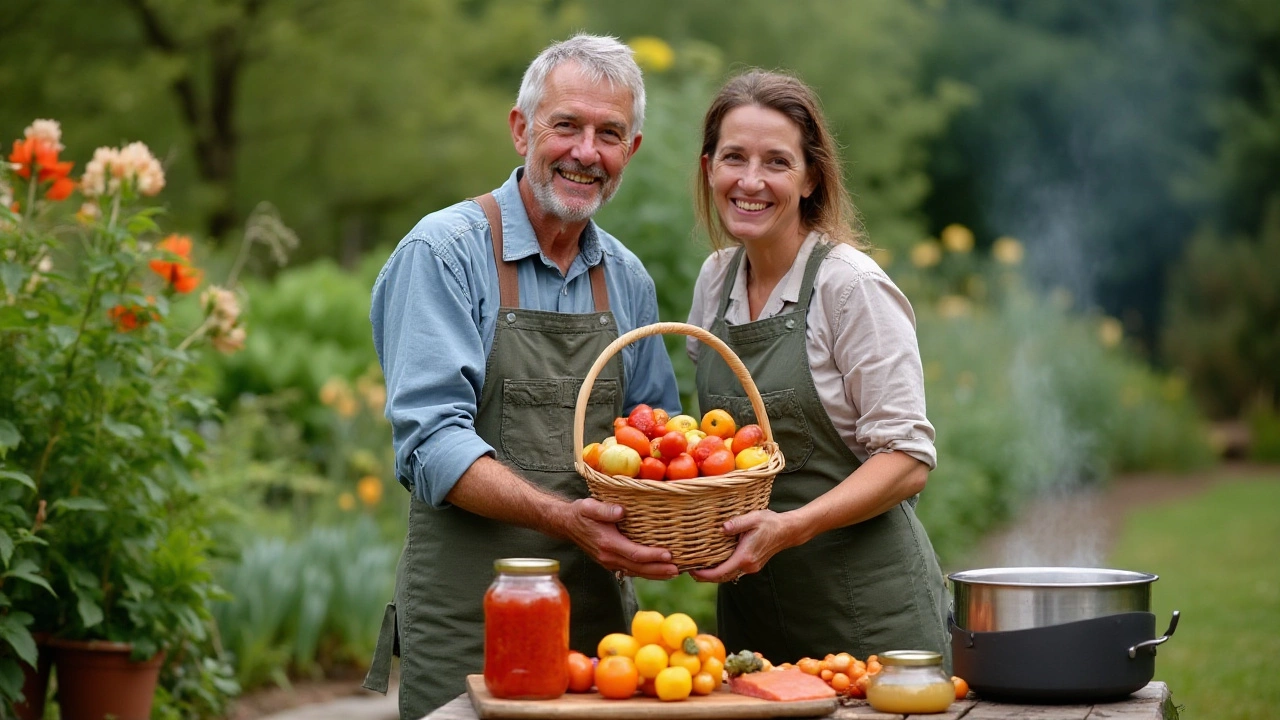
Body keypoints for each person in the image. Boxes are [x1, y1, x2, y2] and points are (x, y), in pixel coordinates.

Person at [362, 34, 682, 717]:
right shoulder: (444, 253)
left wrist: (696, 524)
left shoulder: (626, 279)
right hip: (470, 623)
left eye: (610, 133)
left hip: (599, 630)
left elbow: (661, 441)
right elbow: (431, 446)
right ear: (520, 129)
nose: (585, 152)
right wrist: (569, 520)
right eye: (566, 124)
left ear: (632, 150)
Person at [684, 69, 950, 667]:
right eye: (734, 157)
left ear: (810, 179)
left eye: (776, 162)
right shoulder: (715, 281)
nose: (750, 181)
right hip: (755, 625)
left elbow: (907, 461)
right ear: (709, 169)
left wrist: (791, 527)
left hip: (871, 623)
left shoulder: (848, 286)